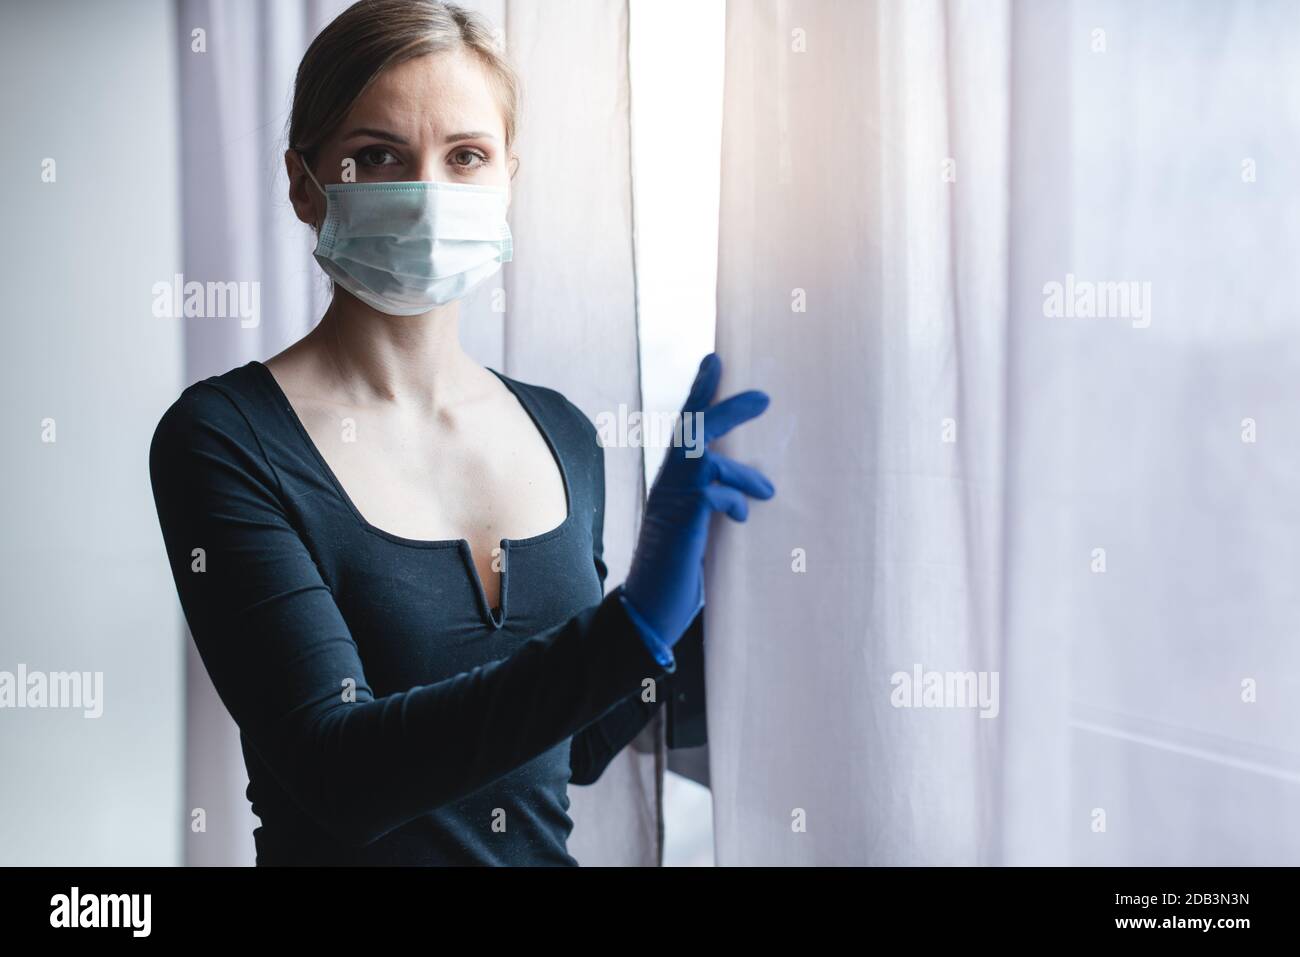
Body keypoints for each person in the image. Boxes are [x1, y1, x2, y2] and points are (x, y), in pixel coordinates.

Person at [148, 0, 774, 866]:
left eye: (466, 156)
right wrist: (631, 626)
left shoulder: (560, 433)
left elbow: (575, 749)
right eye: (378, 156)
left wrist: (697, 602)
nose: (428, 194)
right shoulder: (225, 438)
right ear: (303, 182)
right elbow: (338, 771)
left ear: (508, 177)